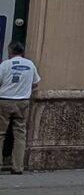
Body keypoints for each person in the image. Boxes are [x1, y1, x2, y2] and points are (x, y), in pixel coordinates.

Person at [0, 42, 39, 175]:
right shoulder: (30, 64)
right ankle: (18, 167)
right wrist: (24, 87)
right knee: (20, 135)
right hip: (22, 102)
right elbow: (35, 83)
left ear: (10, 51)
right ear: (22, 52)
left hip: (5, 101)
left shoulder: (5, 65)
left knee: (1, 134)